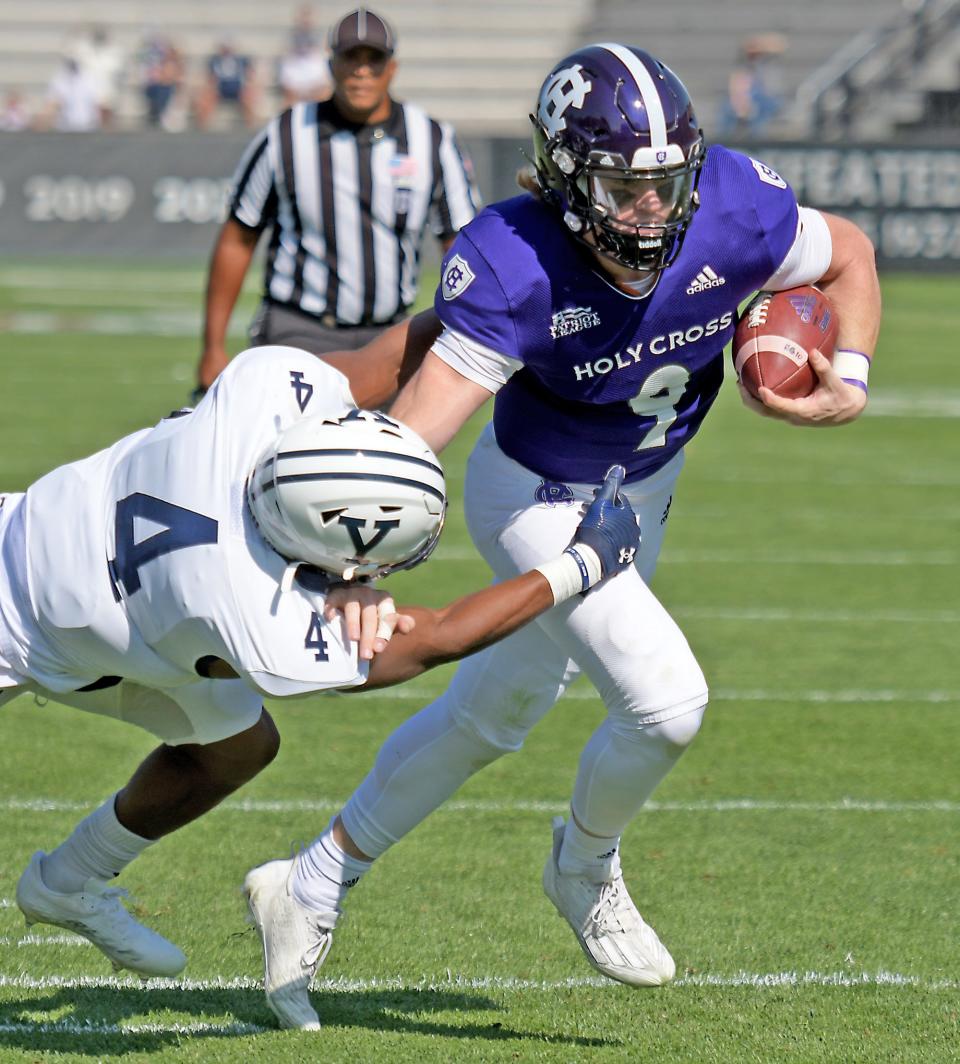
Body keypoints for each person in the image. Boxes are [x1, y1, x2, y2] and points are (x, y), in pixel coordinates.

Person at [243, 43, 881, 1028]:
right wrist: (348, 562)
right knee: (668, 703)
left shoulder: (736, 207)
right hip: (536, 496)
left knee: (493, 712)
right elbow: (418, 432)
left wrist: (853, 373)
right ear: (565, 175)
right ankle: (584, 864)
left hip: (644, 496)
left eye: (664, 185)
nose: (650, 211)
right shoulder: (513, 257)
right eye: (624, 186)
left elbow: (848, 255)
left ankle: (312, 878)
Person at [1, 324, 640, 981]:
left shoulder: (258, 392)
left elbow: (384, 359)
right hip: (27, 624)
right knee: (227, 719)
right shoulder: (246, 609)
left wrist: (490, 306)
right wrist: (581, 564)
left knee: (238, 743)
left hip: (67, 571)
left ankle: (69, 881)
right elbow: (436, 636)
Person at [194, 6, 480, 396]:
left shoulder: (432, 140)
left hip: (388, 334)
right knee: (283, 454)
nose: (361, 71)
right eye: (351, 58)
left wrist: (471, 339)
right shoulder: (285, 135)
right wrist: (212, 347)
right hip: (298, 330)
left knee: (387, 454)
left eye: (373, 60)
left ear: (391, 68)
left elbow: (462, 246)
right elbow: (238, 238)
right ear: (331, 65)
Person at [195, 37, 260, 131]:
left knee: (248, 96)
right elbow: (210, 78)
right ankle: (202, 128)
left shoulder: (242, 60)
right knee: (206, 97)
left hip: (238, 89)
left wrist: (250, 87)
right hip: (220, 89)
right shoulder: (214, 61)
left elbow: (250, 75)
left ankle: (251, 128)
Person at [69, 26, 126, 130]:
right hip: (90, 90)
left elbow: (118, 71)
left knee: (106, 108)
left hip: (107, 88)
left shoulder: (114, 52)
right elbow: (72, 54)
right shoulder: (85, 50)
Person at [278, 7, 333, 108]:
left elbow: (324, 83)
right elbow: (288, 85)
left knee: (325, 95)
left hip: (313, 78)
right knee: (288, 101)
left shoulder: (319, 45)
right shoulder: (290, 41)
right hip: (296, 73)